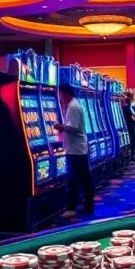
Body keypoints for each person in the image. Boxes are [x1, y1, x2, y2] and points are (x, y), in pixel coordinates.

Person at [54, 83, 94, 218]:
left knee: (74, 179)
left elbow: (74, 127)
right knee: (83, 178)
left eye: (60, 95)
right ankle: (88, 204)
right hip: (77, 147)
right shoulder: (74, 105)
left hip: (75, 149)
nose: (60, 98)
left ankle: (72, 208)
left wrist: (61, 126)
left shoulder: (73, 107)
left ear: (66, 93)